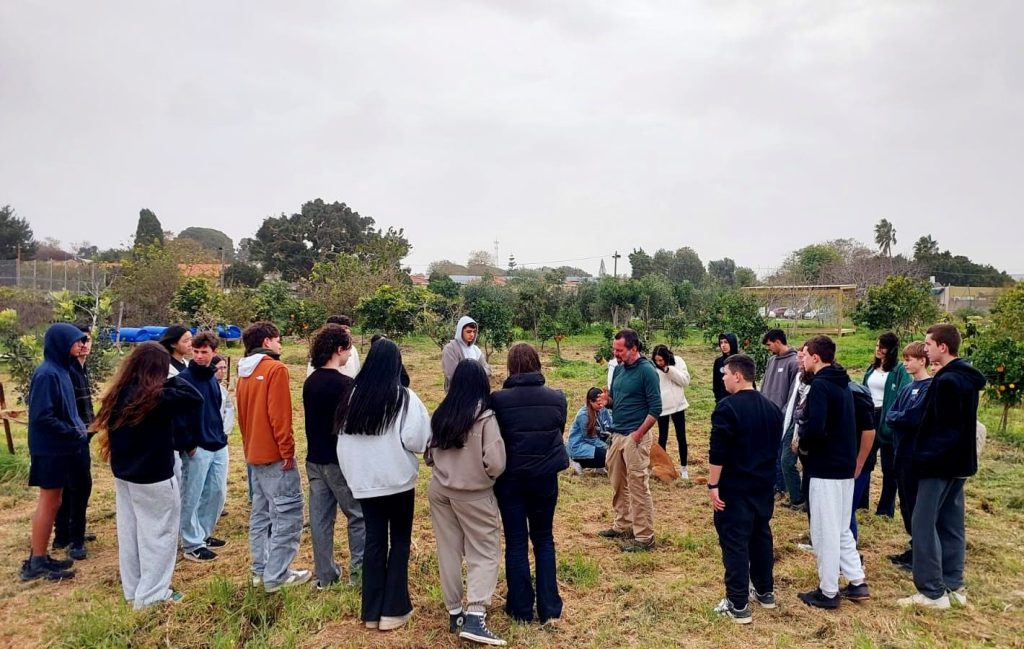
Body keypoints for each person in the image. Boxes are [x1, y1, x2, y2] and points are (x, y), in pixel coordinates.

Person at [93, 341, 203, 608]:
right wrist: (172, 375)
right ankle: (153, 594)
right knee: (159, 534)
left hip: (125, 475)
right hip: (154, 476)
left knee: (130, 533)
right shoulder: (156, 397)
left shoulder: (120, 392)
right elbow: (193, 397)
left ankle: (134, 590)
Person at [337, 338, 431, 632]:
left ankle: (371, 611)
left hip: (365, 485)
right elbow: (417, 440)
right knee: (399, 542)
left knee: (374, 542)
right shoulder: (404, 398)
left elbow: (341, 442)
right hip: (398, 483)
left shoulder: (351, 397)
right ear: (397, 363)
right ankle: (395, 610)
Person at [898, 324, 985, 609]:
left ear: (942, 347)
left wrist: (922, 458)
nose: (925, 349)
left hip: (938, 466)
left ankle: (932, 591)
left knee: (923, 524)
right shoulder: (964, 377)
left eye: (928, 344)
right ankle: (953, 584)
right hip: (959, 464)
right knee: (950, 524)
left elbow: (945, 430)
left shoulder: (946, 382)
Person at [426, 359, 507, 646]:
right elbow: (496, 462)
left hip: (440, 490)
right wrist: (482, 477)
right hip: (474, 493)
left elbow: (429, 454)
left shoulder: (441, 413)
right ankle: (476, 614)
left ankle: (455, 612)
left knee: (448, 549)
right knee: (484, 551)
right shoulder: (485, 418)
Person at [490, 343, 568, 623]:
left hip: (510, 480)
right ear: (538, 363)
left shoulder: (497, 400)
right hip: (545, 479)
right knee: (544, 539)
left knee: (516, 541)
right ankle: (549, 608)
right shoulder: (558, 398)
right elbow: (558, 431)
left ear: (510, 366)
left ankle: (520, 609)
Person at [708, 354, 784, 624]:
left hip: (735, 488)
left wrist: (713, 484)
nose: (723, 378)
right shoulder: (773, 409)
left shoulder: (727, 408)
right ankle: (765, 591)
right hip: (763, 486)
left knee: (735, 543)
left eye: (725, 374)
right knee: (761, 536)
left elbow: (718, 452)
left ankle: (737, 603)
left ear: (738, 375)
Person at [236, 322, 310, 592]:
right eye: (278, 340)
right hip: (275, 455)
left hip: (253, 452)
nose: (281, 345)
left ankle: (260, 569)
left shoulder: (242, 371)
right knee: (288, 514)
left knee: (261, 514)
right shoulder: (275, 369)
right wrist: (287, 450)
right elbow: (280, 416)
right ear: (267, 342)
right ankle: (277, 575)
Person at [796, 335, 869, 609]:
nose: (802, 360)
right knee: (840, 529)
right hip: (843, 467)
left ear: (816, 357)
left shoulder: (822, 387)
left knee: (825, 531)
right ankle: (857, 581)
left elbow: (815, 428)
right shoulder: (843, 385)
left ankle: (828, 591)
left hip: (825, 467)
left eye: (805, 355)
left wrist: (804, 448)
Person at [20, 323, 89, 582]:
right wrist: (74, 431)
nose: (82, 344)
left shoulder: (62, 370)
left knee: (55, 502)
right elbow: (41, 416)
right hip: (50, 449)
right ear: (60, 343)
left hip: (61, 448)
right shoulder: (47, 374)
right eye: (76, 340)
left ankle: (41, 555)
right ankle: (36, 562)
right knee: (48, 503)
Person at [303, 324, 364, 588]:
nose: (350, 354)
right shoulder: (346, 385)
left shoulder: (310, 382)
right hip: (340, 462)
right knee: (357, 516)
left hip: (315, 458)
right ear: (339, 350)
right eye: (348, 348)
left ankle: (325, 575)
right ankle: (358, 574)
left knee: (320, 519)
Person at [599, 329, 662, 552]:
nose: (615, 354)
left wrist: (638, 434)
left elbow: (656, 408)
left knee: (637, 485)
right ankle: (622, 524)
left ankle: (645, 537)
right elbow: (618, 402)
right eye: (614, 349)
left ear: (633, 349)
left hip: (636, 436)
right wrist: (607, 402)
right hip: (618, 433)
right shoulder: (618, 371)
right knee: (617, 482)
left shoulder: (647, 371)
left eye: (620, 350)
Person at [177, 331, 230, 562]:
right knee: (192, 494)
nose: (199, 356)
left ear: (213, 352)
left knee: (216, 492)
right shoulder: (184, 379)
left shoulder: (211, 378)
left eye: (204, 352)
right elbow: (178, 417)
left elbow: (217, 409)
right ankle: (191, 543)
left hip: (217, 443)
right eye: (196, 351)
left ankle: (204, 533)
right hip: (197, 446)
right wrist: (189, 445)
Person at [884, 341, 932, 570]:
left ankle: (921, 556)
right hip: (900, 451)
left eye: (909, 359)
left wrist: (899, 418)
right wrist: (899, 418)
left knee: (916, 505)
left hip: (916, 455)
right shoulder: (907, 388)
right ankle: (913, 547)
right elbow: (892, 413)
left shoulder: (929, 388)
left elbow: (913, 418)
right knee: (905, 502)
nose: (905, 364)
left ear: (922, 360)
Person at [53, 324, 95, 560]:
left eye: (87, 340)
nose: (84, 345)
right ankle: (73, 540)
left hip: (83, 435)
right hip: (70, 438)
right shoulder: (65, 370)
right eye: (79, 341)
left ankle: (65, 534)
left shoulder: (82, 368)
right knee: (78, 487)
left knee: (73, 487)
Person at [860, 332, 911, 517]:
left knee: (889, 468)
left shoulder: (898, 370)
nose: (878, 350)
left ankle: (885, 510)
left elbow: (903, 395)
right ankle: (861, 503)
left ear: (891, 349)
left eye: (882, 347)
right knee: (865, 460)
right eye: (877, 346)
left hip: (886, 418)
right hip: (869, 415)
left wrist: (892, 418)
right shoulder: (870, 368)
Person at [761, 329, 800, 500]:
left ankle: (780, 487)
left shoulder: (793, 362)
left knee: (780, 453)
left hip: (781, 416)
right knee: (768, 450)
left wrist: (784, 412)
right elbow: (765, 384)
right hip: (766, 413)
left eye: (769, 344)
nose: (769, 348)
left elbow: (793, 393)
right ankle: (770, 483)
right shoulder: (771, 361)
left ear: (777, 341)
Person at [651, 344, 691, 479]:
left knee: (681, 437)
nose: (659, 363)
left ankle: (684, 468)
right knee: (663, 437)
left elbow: (685, 381)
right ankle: (663, 465)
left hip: (678, 405)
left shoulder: (678, 361)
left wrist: (669, 370)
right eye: (657, 360)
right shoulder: (653, 369)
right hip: (662, 408)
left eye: (661, 360)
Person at [780, 345, 811, 510]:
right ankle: (797, 497)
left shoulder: (815, 381)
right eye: (798, 357)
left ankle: (801, 499)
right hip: (793, 421)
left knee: (794, 462)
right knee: (786, 460)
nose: (799, 360)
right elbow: (793, 401)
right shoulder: (800, 376)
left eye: (802, 357)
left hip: (803, 425)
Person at [567, 387, 612, 475]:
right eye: (598, 403)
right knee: (609, 456)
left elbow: (610, 425)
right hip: (580, 445)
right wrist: (607, 447)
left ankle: (599, 467)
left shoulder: (603, 409)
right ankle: (578, 462)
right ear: (590, 402)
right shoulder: (583, 415)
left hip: (596, 441)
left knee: (612, 452)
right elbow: (590, 438)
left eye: (602, 403)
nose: (601, 406)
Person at [441, 316, 492, 392]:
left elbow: (488, 370)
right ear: (460, 331)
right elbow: (453, 375)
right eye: (468, 331)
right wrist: (478, 374)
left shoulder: (476, 350)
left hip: (476, 393)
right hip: (457, 395)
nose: (472, 334)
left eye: (474, 331)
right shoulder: (451, 349)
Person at [712, 333, 739, 403]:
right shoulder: (718, 362)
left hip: (739, 400)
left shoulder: (741, 360)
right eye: (721, 343)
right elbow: (716, 384)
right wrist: (719, 400)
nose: (723, 345)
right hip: (724, 401)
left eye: (726, 342)